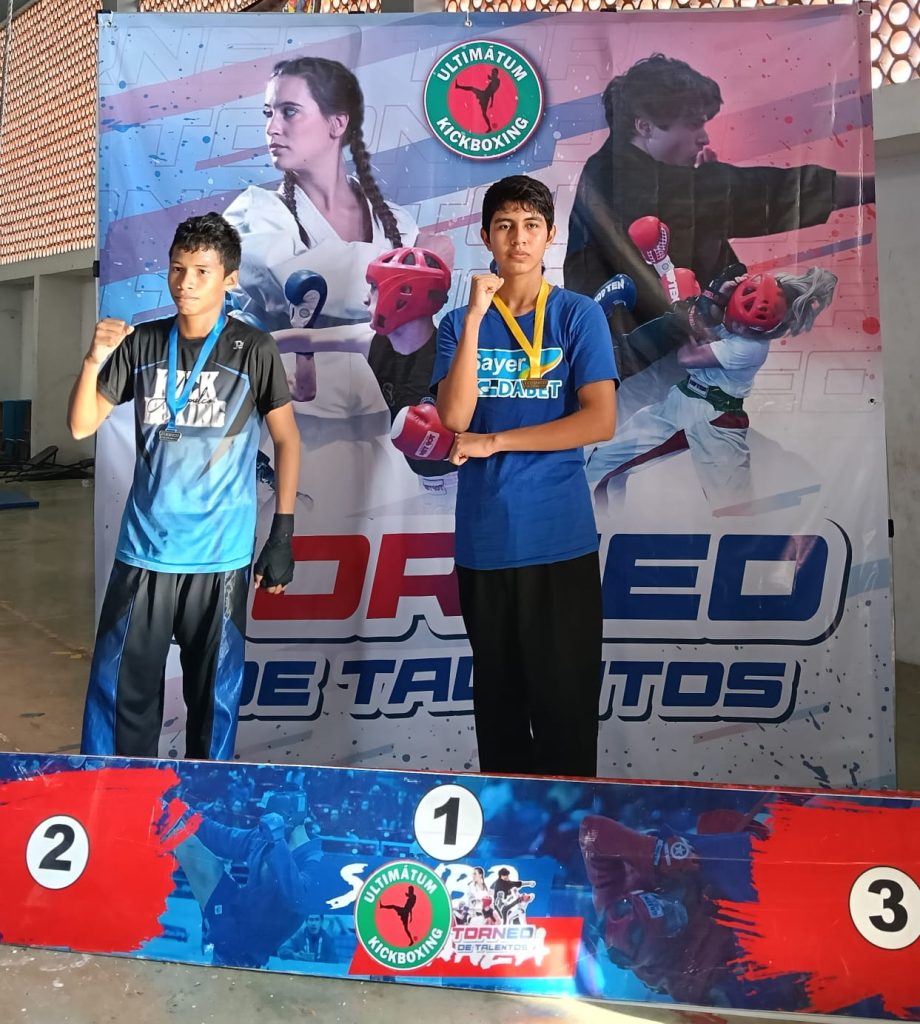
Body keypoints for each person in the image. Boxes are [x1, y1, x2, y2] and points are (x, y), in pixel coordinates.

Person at [70, 213, 299, 760]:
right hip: (144, 552)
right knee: (120, 701)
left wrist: (282, 534)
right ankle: (116, 797)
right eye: (177, 269)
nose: (186, 283)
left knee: (213, 703)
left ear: (230, 278)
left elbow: (287, 440)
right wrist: (94, 358)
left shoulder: (253, 349)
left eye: (201, 271)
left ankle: (202, 804)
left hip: (220, 557)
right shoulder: (144, 343)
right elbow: (80, 425)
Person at [433, 175, 618, 778]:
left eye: (531, 225)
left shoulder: (576, 314)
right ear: (486, 236)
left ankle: (572, 832)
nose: (518, 238)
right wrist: (474, 319)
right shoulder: (458, 323)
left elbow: (600, 420)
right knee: (500, 717)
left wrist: (496, 441)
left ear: (550, 236)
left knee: (566, 717)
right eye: (505, 226)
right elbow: (454, 417)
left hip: (558, 540)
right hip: (485, 543)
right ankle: (508, 833)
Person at [564, 53, 873, 378]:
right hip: (631, 373)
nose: (704, 137)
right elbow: (761, 193)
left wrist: (705, 191)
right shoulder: (634, 183)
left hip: (625, 364)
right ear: (645, 127)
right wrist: (870, 186)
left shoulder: (612, 172)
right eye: (693, 123)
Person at [586, 265, 838, 512]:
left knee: (732, 506)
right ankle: (607, 523)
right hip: (681, 400)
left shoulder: (751, 347)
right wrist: (711, 299)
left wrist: (696, 310)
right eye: (738, 321)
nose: (739, 329)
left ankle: (797, 512)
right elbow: (700, 323)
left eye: (748, 327)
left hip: (715, 419)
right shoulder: (735, 311)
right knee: (602, 462)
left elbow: (686, 356)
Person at [224, 56, 418, 338]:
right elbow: (304, 283)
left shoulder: (398, 223)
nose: (272, 127)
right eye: (268, 113)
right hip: (286, 368)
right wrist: (413, 270)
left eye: (289, 111)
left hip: (382, 368)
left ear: (337, 124)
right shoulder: (252, 216)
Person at [175, 810, 322, 968]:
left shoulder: (315, 860)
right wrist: (187, 812)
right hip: (232, 914)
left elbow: (297, 897)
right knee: (185, 841)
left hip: (252, 947)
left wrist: (277, 842)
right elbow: (223, 837)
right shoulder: (261, 836)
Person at [365, 246, 458, 491]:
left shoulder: (452, 358)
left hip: (459, 482)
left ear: (403, 295)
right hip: (420, 483)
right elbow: (307, 339)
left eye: (374, 287)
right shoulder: (376, 342)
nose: (366, 298)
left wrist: (445, 443)